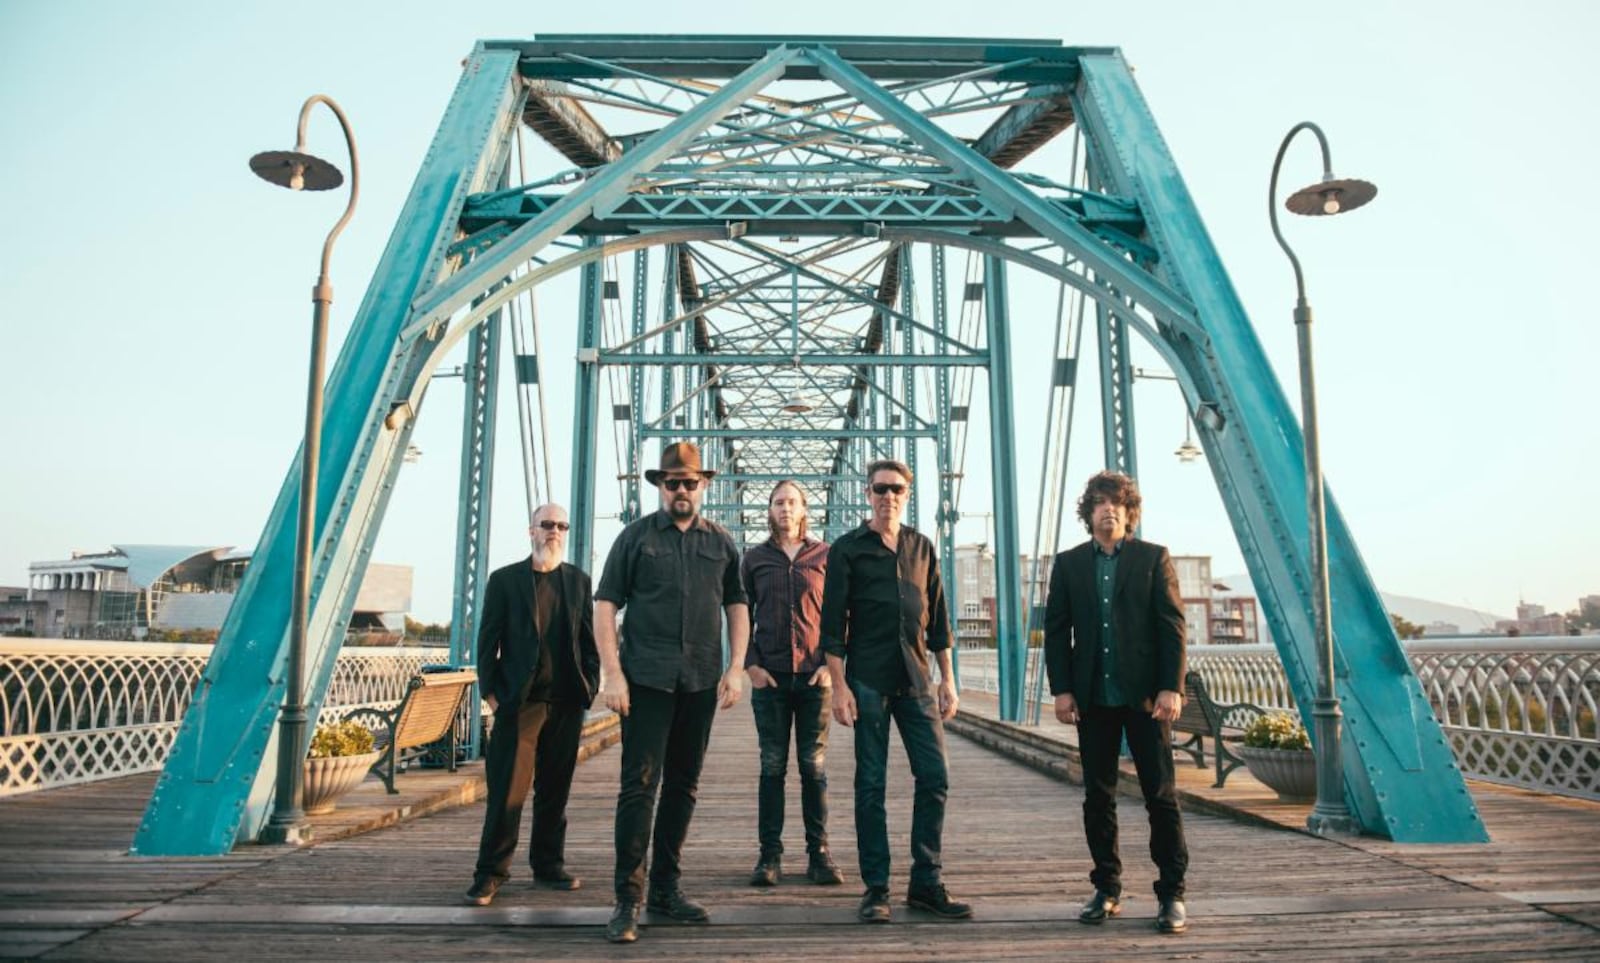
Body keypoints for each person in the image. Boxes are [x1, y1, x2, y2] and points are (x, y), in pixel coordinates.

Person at [595, 442, 751, 944]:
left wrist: (736, 669)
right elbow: (605, 606)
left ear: (703, 485)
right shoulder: (635, 538)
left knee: (684, 785)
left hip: (701, 679)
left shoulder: (722, 543)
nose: (680, 490)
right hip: (645, 680)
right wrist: (612, 674)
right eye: (671, 482)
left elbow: (737, 606)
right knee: (639, 786)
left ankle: (666, 888)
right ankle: (627, 897)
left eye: (689, 482)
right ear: (660, 487)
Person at [822, 459, 971, 924]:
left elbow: (940, 623)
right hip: (867, 680)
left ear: (907, 494)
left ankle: (926, 883)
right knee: (871, 784)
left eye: (897, 490)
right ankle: (877, 888)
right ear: (868, 493)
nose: (889, 497)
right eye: (881, 489)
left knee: (935, 776)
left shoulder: (921, 547)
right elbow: (832, 628)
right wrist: (839, 688)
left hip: (918, 681)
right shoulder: (847, 550)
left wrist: (949, 679)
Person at [1044, 470, 1190, 935]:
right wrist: (1062, 689)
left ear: (1130, 512)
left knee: (1160, 796)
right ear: (1087, 514)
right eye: (1100, 503)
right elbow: (1056, 632)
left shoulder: (1153, 558)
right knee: (1098, 797)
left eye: (1117, 503)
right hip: (1093, 698)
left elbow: (1172, 627)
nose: (1108, 509)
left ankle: (1171, 894)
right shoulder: (1069, 565)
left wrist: (1172, 686)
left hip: (1146, 699)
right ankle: (1107, 888)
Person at [464, 503, 599, 906]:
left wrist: (589, 685)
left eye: (561, 525)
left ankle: (548, 867)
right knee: (508, 792)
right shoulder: (505, 581)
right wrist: (491, 694)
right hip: (519, 704)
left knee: (555, 791)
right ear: (531, 531)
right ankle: (490, 873)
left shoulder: (578, 582)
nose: (554, 531)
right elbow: (487, 641)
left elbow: (588, 642)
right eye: (547, 525)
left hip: (566, 703)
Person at [742, 480, 843, 888]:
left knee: (812, 767)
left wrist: (833, 668)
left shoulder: (825, 557)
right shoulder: (753, 559)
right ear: (769, 510)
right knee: (771, 766)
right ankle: (769, 857)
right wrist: (749, 664)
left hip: (815, 678)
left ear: (804, 510)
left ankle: (819, 855)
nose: (785, 508)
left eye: (792, 502)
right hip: (770, 678)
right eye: (778, 502)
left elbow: (843, 614)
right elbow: (737, 612)